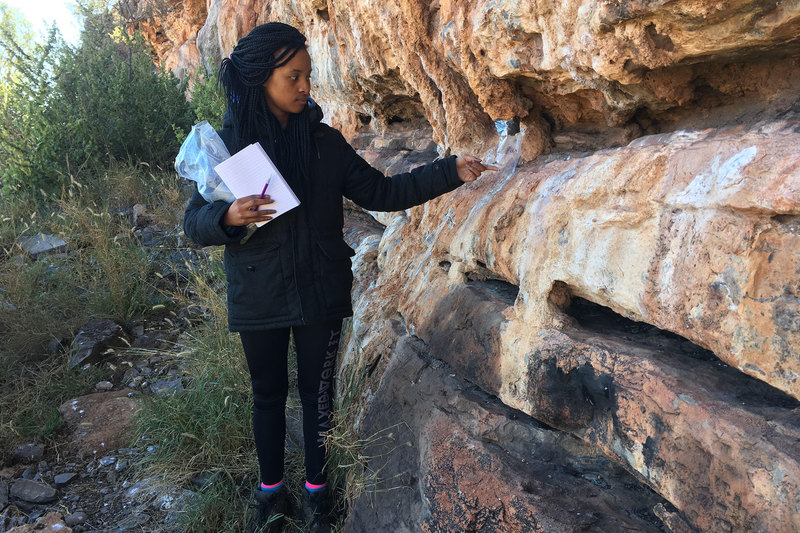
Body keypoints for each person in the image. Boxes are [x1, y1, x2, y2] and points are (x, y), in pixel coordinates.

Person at [182, 22, 496, 533]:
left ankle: (318, 496)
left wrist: (447, 171)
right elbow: (194, 222)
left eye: (307, 75)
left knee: (317, 394)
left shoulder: (325, 143)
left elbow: (383, 194)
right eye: (293, 77)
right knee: (267, 393)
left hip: (320, 293)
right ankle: (270, 496)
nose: (306, 87)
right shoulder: (229, 146)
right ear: (262, 79)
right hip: (257, 292)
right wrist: (227, 218)